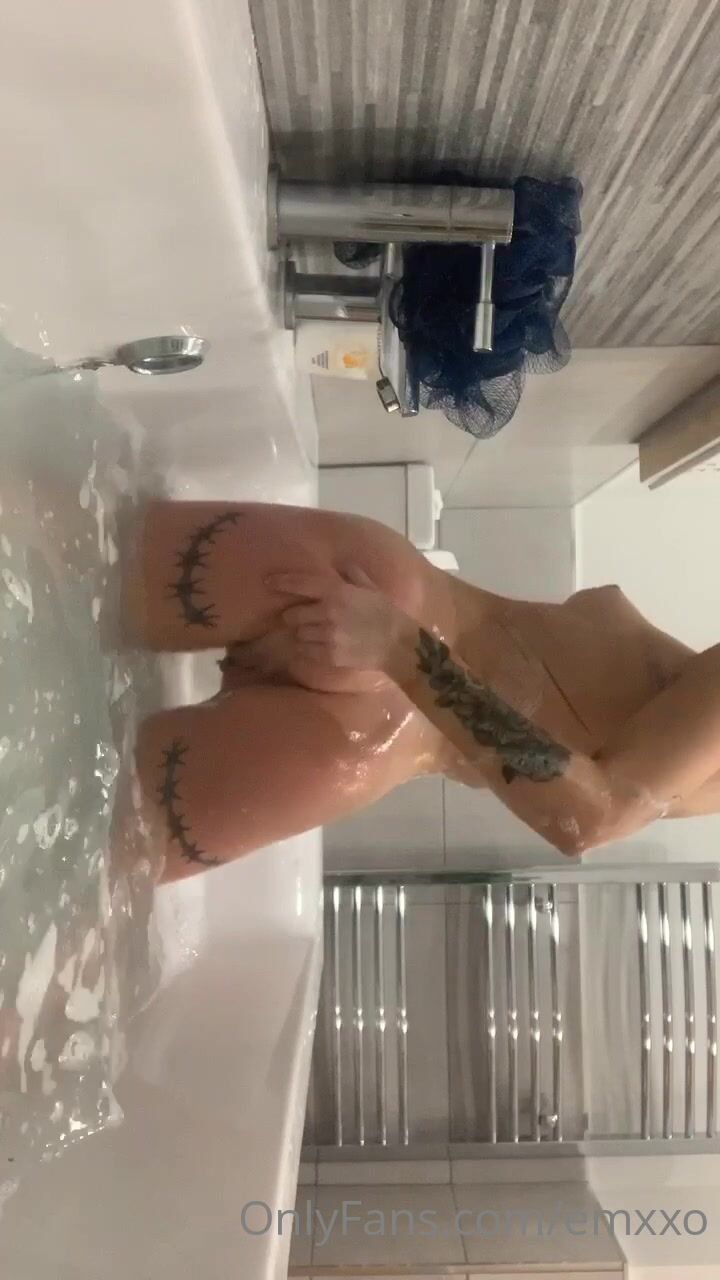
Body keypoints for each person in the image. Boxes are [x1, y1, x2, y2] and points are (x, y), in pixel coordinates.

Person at [123, 500, 720, 882]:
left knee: (80, 569)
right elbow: (599, 811)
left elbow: (593, 815)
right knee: (80, 849)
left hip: (394, 617)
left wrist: (402, 646)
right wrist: (397, 647)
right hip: (376, 726)